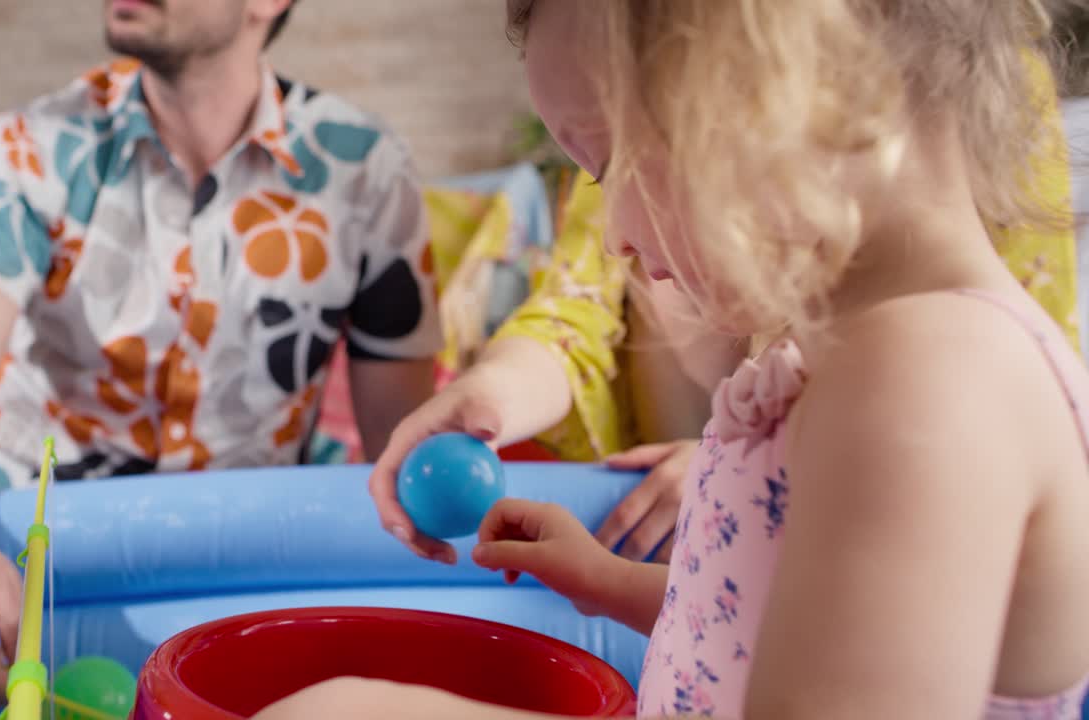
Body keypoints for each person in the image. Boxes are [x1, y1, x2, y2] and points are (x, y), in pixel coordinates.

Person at [259, 0, 1089, 718]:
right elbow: (777, 631)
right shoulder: (865, 358)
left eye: (613, 158)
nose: (614, 231)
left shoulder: (926, 381)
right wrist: (607, 580)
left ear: (797, 85)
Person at [0, 0, 441, 715]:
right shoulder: (27, 148)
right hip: (34, 558)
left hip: (244, 566)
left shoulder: (367, 173)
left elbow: (405, 453)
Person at [370, 48, 1082, 568]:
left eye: (624, 158)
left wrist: (740, 478)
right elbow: (575, 310)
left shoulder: (916, 403)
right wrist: (490, 395)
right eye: (594, 166)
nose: (614, 229)